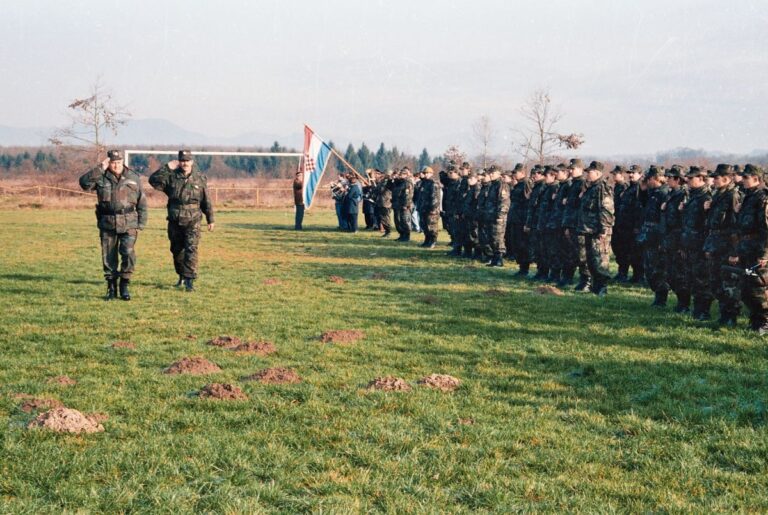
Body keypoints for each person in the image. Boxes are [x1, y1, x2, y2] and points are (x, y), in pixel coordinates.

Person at [79, 149, 147, 300]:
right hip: (107, 222)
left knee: (128, 253)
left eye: (118, 162)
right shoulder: (100, 176)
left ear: (122, 162)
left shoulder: (133, 177)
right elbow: (84, 184)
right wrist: (99, 168)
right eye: (112, 163)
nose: (115, 165)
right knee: (109, 257)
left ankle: (124, 284)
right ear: (108, 163)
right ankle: (111, 288)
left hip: (129, 221)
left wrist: (141, 223)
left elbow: (142, 201)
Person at [149, 150, 214, 292]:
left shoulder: (200, 178)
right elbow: (153, 181)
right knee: (177, 250)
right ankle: (182, 276)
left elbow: (206, 200)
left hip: (193, 220)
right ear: (179, 162)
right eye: (182, 161)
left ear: (192, 162)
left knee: (191, 249)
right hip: (175, 220)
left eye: (187, 161)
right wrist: (167, 167)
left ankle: (190, 280)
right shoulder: (171, 177)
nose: (185, 163)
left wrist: (210, 218)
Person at [732, 164, 768, 334]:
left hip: (757, 250)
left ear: (756, 178)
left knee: (758, 287)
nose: (742, 180)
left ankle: (764, 322)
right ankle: (755, 320)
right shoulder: (748, 197)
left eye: (746, 177)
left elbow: (765, 229)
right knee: (746, 288)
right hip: (746, 248)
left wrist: (765, 254)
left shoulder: (762, 198)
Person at [576, 161, 614, 296]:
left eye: (590, 172)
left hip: (598, 230)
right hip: (588, 229)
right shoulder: (591, 188)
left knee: (600, 259)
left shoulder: (602, 188)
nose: (587, 174)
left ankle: (602, 287)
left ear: (597, 173)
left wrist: (604, 229)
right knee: (591, 259)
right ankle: (595, 286)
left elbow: (607, 210)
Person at [681, 166, 713, 320]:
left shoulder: (706, 197)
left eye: (691, 178)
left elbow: (708, 225)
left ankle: (703, 311)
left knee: (702, 279)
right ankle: (697, 309)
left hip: (700, 245)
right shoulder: (692, 195)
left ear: (701, 178)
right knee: (692, 278)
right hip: (690, 244)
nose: (687, 180)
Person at [416, 166, 441, 248]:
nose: (425, 175)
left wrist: (433, 208)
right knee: (424, 225)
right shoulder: (423, 183)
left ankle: (433, 241)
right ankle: (427, 240)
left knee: (432, 226)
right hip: (423, 208)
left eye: (427, 173)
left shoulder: (433, 183)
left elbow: (435, 197)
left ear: (431, 173)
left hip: (431, 209)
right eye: (424, 173)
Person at [376, 169, 394, 237]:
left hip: (386, 202)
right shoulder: (383, 181)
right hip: (381, 201)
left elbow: (382, 190)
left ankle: (388, 231)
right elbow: (378, 189)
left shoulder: (390, 181)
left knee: (386, 218)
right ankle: (386, 231)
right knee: (382, 218)